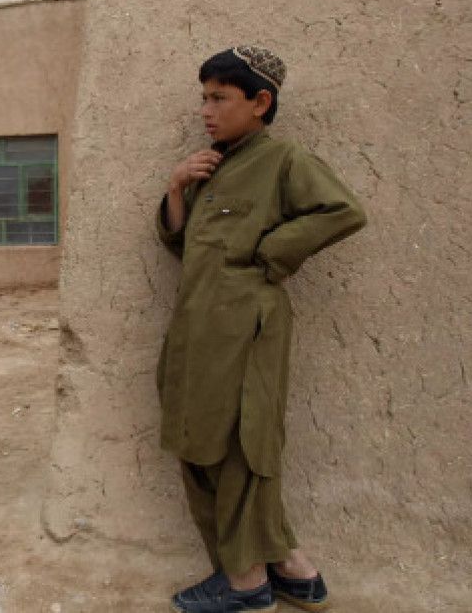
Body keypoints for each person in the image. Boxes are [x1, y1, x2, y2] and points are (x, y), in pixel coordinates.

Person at [155, 46, 366, 613]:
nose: (206, 110)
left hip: (246, 325)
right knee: (200, 441)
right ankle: (295, 573)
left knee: (240, 447)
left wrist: (270, 251)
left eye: (219, 98)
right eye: (204, 98)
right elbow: (182, 245)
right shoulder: (212, 166)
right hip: (200, 325)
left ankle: (246, 583)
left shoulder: (283, 159)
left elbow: (343, 211)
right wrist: (176, 187)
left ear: (260, 102)